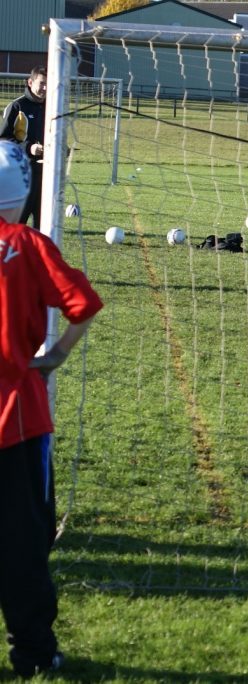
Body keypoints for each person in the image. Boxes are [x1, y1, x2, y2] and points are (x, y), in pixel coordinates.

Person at [0, 140, 103, 677]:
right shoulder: (27, 243)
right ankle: (33, 654)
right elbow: (83, 305)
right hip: (16, 421)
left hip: (17, 420)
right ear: (20, 194)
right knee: (23, 544)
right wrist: (57, 354)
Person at [0, 66, 47, 229]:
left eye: (48, 84)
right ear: (30, 82)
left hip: (47, 176)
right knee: (17, 227)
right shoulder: (17, 106)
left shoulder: (53, 107)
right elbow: (3, 140)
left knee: (44, 228)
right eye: (41, 83)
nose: (45, 88)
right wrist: (29, 148)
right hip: (22, 175)